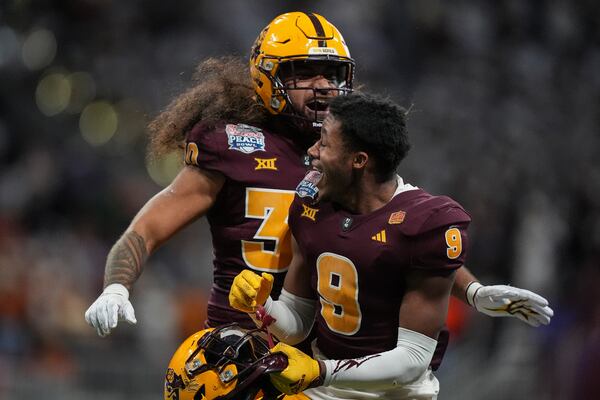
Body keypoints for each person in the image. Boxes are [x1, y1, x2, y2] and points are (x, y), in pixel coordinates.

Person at [84, 11, 551, 346]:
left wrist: (471, 289)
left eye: (332, 74)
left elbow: (405, 226)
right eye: (305, 73)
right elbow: (145, 230)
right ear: (268, 77)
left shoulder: (348, 151)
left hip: (321, 350)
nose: (324, 86)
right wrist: (116, 285)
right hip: (241, 343)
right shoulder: (231, 145)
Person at [228, 93, 553, 400]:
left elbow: (411, 360)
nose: (313, 150)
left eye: (325, 142)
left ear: (358, 160)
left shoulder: (426, 223)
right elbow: (298, 322)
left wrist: (320, 370)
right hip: (320, 390)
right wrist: (263, 307)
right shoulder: (310, 205)